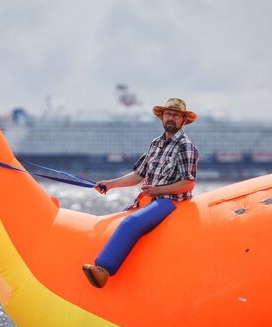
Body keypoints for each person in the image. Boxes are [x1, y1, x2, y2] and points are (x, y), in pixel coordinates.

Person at [82, 98, 199, 288]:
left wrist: (158, 190)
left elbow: (188, 183)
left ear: (184, 120)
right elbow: (139, 174)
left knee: (131, 223)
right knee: (117, 221)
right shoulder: (156, 144)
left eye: (176, 115)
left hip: (171, 201)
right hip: (150, 199)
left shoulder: (186, 146)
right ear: (162, 117)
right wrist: (110, 184)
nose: (171, 118)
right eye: (168, 114)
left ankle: (103, 271)